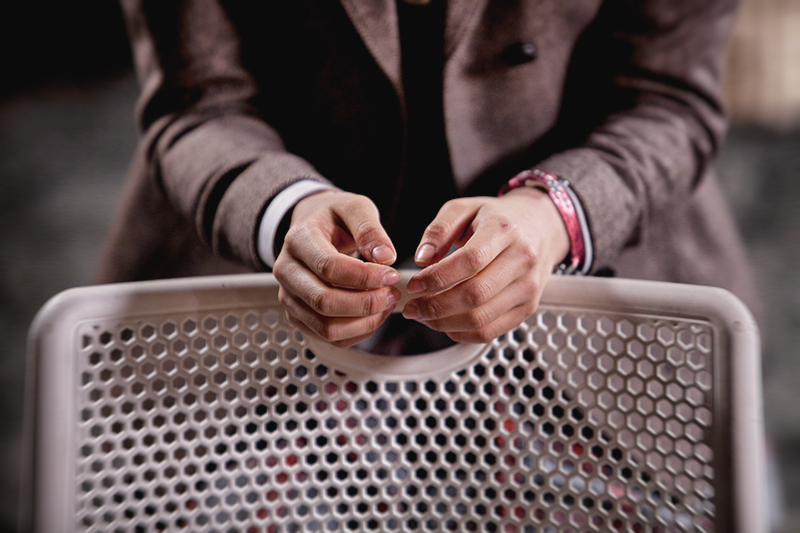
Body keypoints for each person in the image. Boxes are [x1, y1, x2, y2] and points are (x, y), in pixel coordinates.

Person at [99, 0, 760, 349]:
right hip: (247, 285)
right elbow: (198, 103)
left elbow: (667, 98)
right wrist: (284, 211)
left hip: (605, 270)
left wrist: (555, 215)